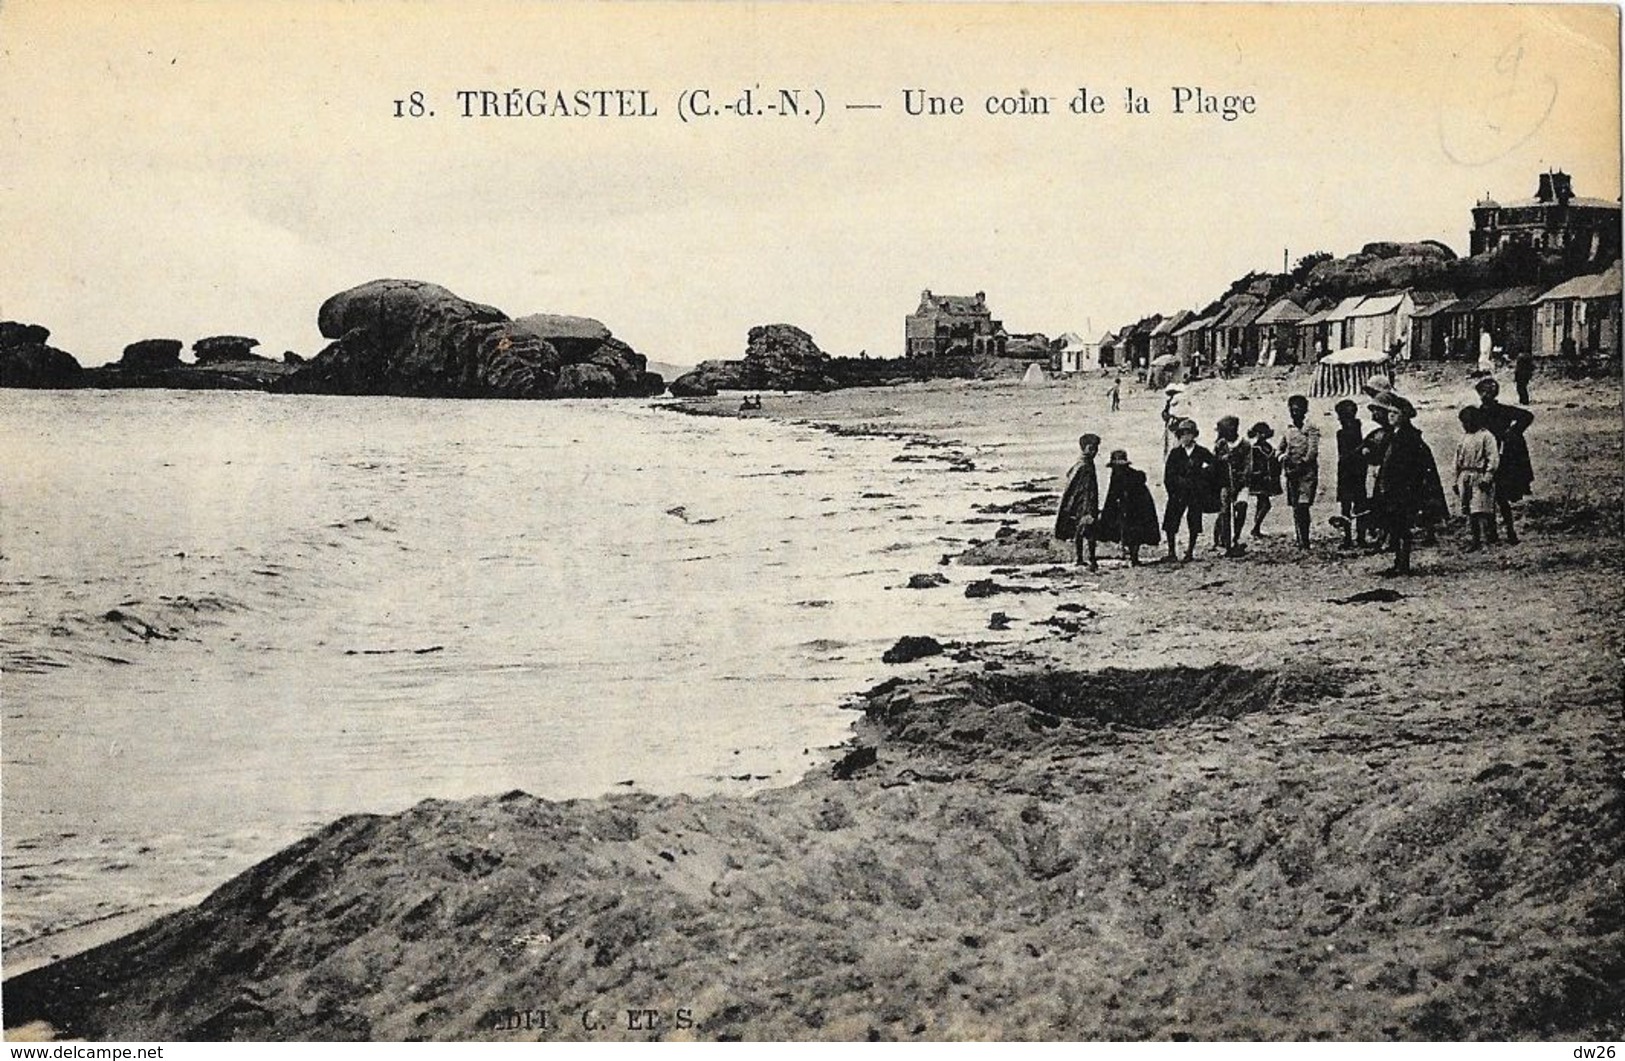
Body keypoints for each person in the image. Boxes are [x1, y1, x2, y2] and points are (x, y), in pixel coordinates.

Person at [1367, 392, 1446, 576]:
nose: (1391, 416)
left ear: (1404, 415)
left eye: (1395, 412)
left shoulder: (1409, 438)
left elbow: (1412, 468)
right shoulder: (1393, 435)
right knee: (1395, 525)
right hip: (1392, 487)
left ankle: (1403, 564)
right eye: (1390, 412)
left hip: (1403, 489)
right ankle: (1398, 562)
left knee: (1402, 526)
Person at [1475, 377, 1535, 545]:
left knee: (1496, 498)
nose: (1483, 396)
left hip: (1497, 457)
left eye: (1485, 393)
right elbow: (1526, 416)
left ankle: (1504, 532)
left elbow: (1527, 416)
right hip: (1493, 457)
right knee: (1496, 499)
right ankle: (1502, 532)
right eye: (1482, 393)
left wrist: (1512, 432)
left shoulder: (1492, 412)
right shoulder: (1494, 411)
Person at [1162, 419, 1217, 562]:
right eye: (1182, 434)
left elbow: (1214, 467)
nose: (1185, 437)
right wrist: (1172, 491)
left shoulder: (1202, 452)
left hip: (1195, 493)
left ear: (1194, 435)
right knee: (1171, 522)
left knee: (1194, 522)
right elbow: (1168, 475)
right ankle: (1171, 552)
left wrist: (1202, 480)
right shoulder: (1175, 453)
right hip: (1178, 493)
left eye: (1188, 434)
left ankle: (1190, 552)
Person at [1097, 449, 1161, 565]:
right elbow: (1113, 494)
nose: (1117, 468)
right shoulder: (1116, 475)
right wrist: (1108, 511)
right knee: (1129, 530)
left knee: (1135, 531)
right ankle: (1132, 556)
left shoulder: (1131, 476)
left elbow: (1130, 494)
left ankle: (1134, 557)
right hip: (1129, 506)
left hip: (1138, 507)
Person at [1453, 405, 1500, 551]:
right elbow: (1456, 461)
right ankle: (1475, 540)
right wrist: (1456, 480)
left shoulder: (1486, 436)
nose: (1465, 425)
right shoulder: (1464, 438)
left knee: (1481, 509)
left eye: (1468, 422)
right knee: (1470, 510)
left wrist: (1487, 477)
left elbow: (1493, 458)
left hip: (1480, 476)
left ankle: (1488, 538)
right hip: (1466, 476)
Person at [1054, 432, 1102, 571]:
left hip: (1081, 503)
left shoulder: (1081, 462)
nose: (1094, 451)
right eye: (1091, 448)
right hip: (1085, 503)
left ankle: (1082, 558)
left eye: (1096, 448)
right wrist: (1088, 508)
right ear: (1085, 447)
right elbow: (1086, 488)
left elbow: (1070, 476)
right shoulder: (1085, 465)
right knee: (1088, 531)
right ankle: (1089, 559)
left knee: (1082, 531)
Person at [1279, 394, 1321, 550]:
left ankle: (1305, 538)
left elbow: (1313, 451)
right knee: (1296, 505)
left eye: (1298, 409)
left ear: (1305, 410)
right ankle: (1300, 537)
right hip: (1291, 472)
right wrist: (1283, 459)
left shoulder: (1311, 427)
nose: (1294, 413)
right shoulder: (1288, 428)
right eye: (1292, 410)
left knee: (1304, 505)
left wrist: (1301, 464)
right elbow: (1280, 448)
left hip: (1307, 472)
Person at [1331, 399, 1368, 549]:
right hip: (1357, 471)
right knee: (1359, 505)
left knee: (1348, 506)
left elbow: (1344, 455)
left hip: (1348, 472)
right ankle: (1360, 537)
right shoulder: (1362, 430)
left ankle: (1349, 538)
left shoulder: (1343, 433)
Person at [1212, 415, 1250, 557]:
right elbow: (1213, 462)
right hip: (1224, 483)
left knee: (1241, 507)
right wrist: (1222, 459)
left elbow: (1248, 466)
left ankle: (1236, 537)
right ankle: (1227, 544)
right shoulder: (1220, 445)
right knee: (1224, 512)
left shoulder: (1245, 445)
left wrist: (1241, 481)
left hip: (1241, 484)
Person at [1245, 422, 1281, 538]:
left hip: (1266, 479)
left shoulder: (1266, 446)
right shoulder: (1256, 448)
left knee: (1261, 504)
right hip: (1260, 480)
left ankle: (1256, 528)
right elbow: (1253, 465)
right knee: (1265, 504)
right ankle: (1255, 528)